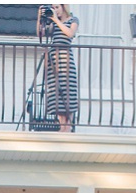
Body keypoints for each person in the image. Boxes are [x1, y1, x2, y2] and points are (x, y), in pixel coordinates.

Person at [37, 4, 79, 132]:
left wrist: (55, 20)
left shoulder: (73, 20)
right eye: (53, 8)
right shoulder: (52, 23)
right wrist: (40, 18)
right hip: (53, 60)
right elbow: (40, 33)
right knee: (55, 93)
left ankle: (68, 125)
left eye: (57, 7)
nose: (55, 10)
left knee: (67, 92)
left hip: (65, 59)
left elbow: (70, 34)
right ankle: (62, 126)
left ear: (64, 7)